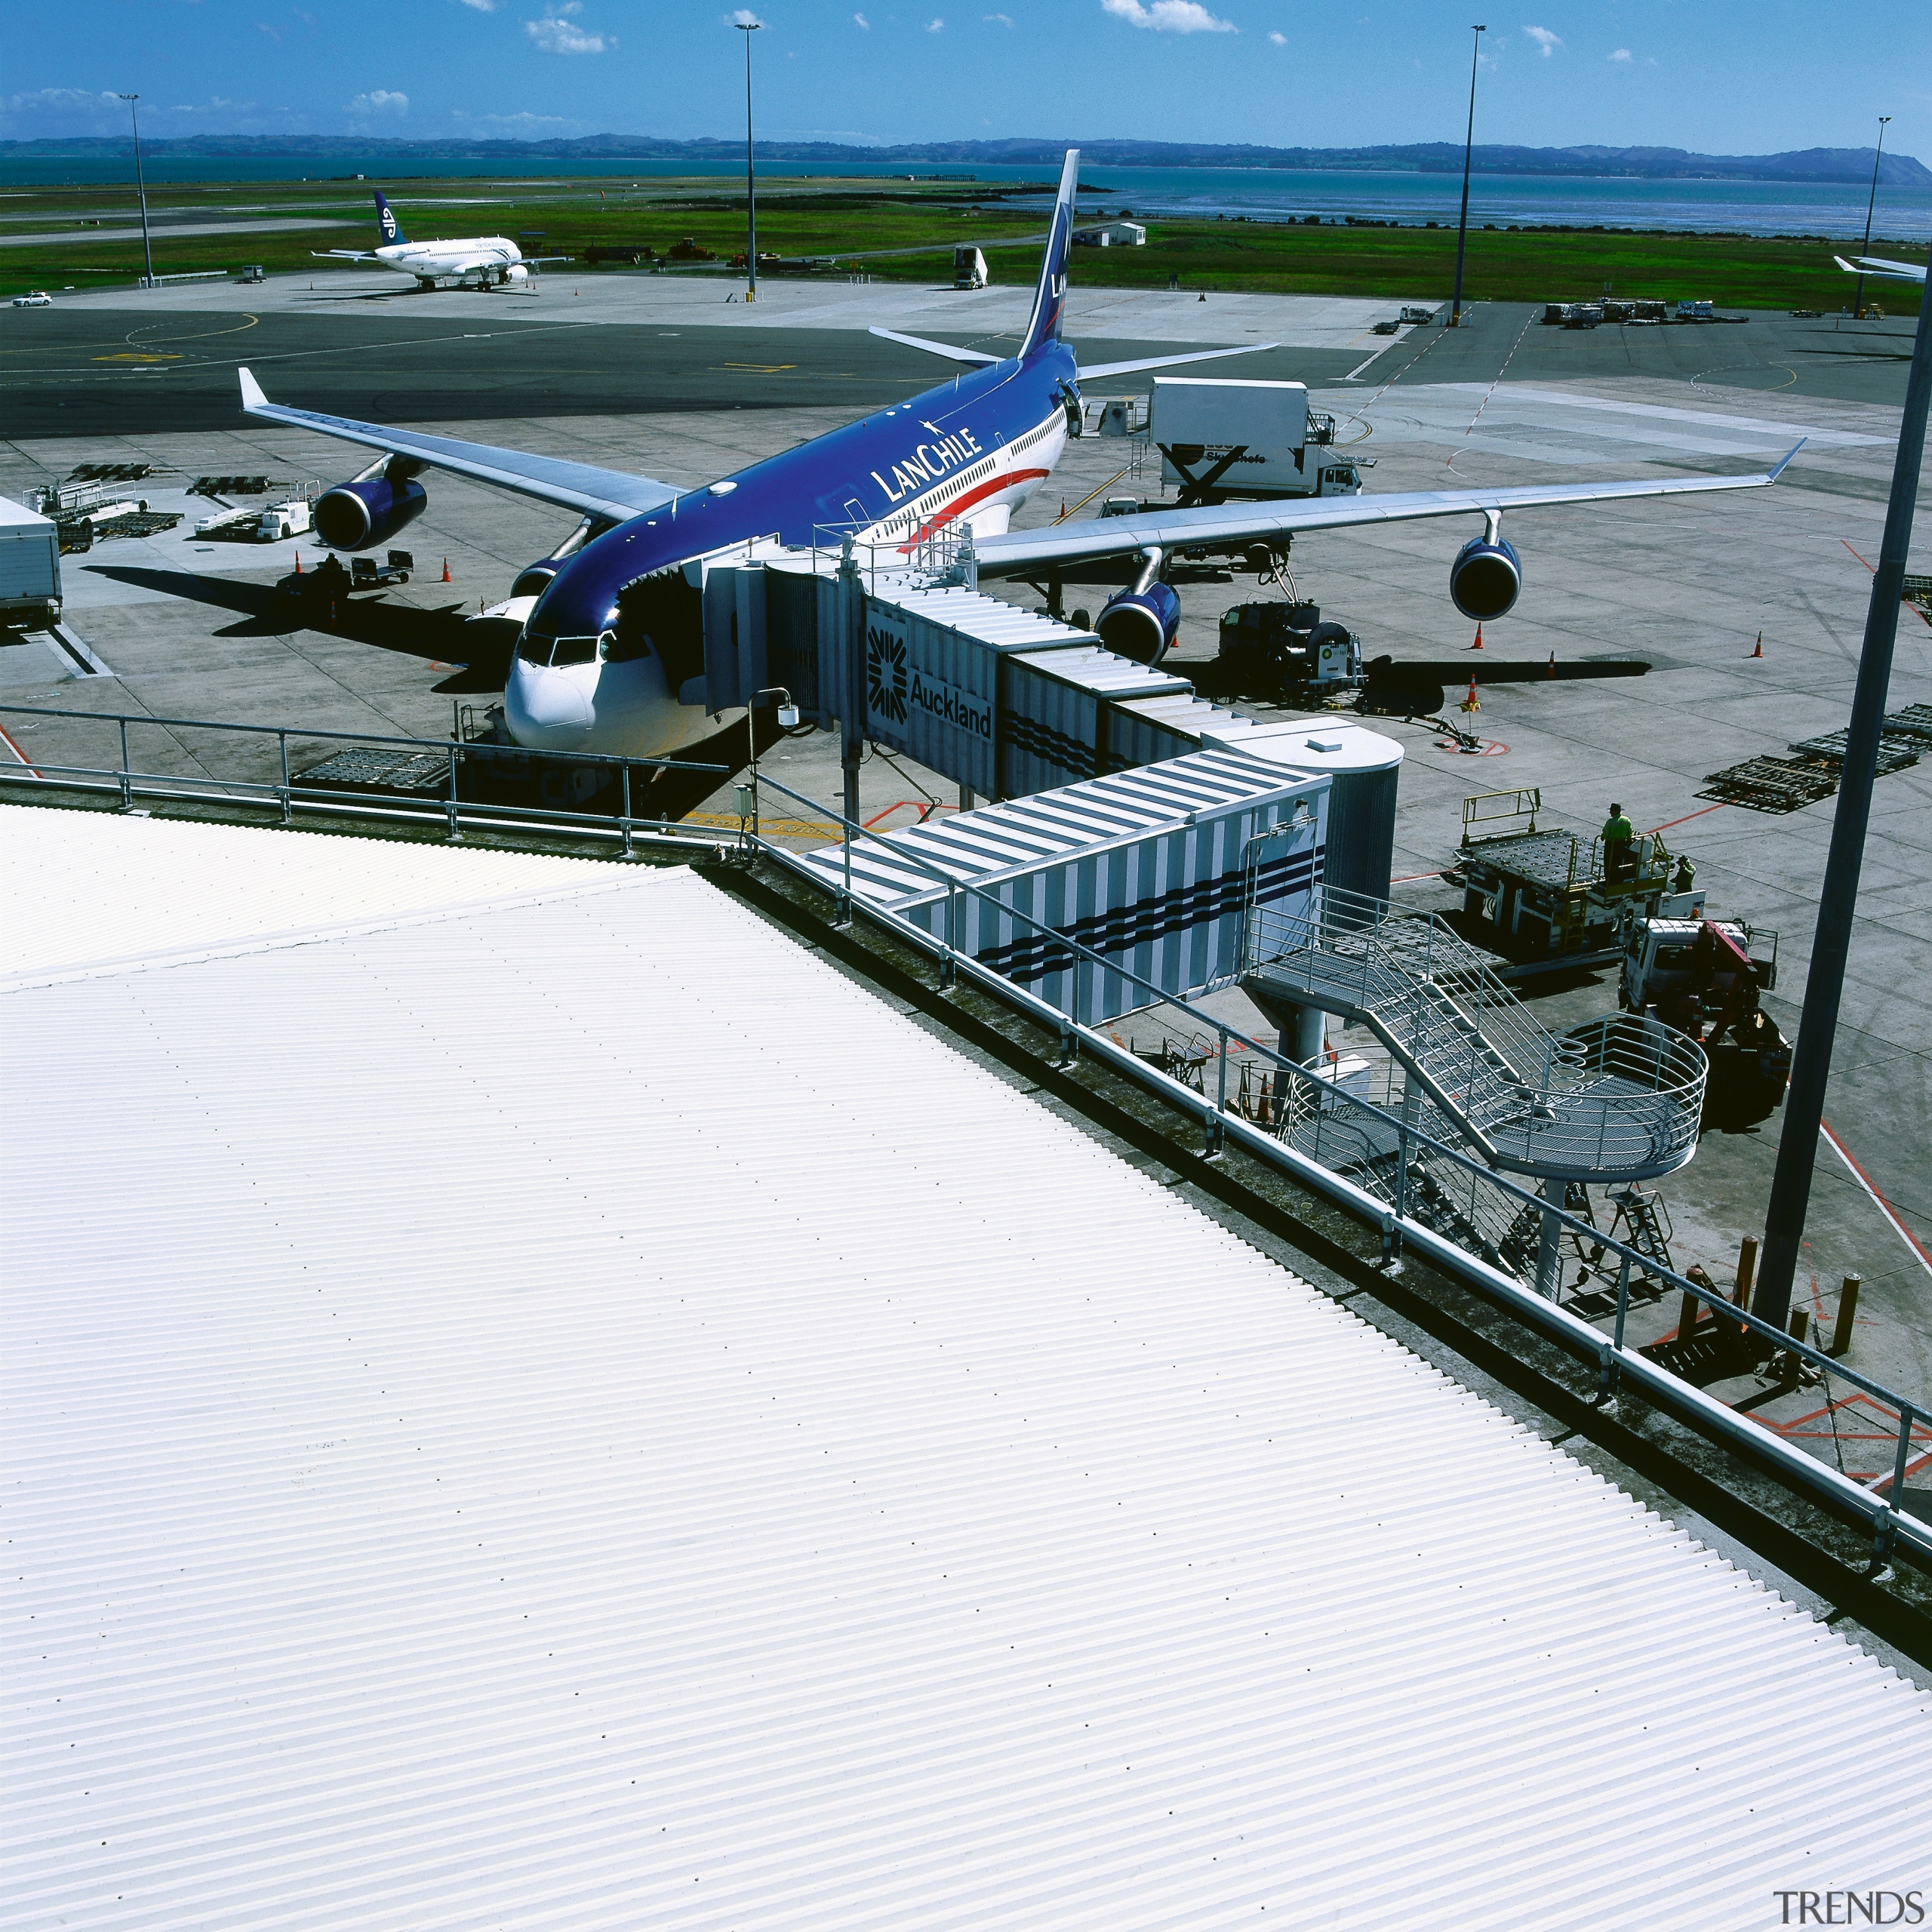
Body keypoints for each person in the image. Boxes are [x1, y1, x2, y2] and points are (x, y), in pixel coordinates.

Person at [1601, 803, 1636, 884]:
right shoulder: (1627, 820)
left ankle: (1609, 880)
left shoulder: (1610, 822)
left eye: (1611, 811)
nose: (1610, 813)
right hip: (1621, 845)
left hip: (1611, 845)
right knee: (1618, 862)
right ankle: (1617, 879)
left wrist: (1603, 837)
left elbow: (1606, 833)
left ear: (1614, 811)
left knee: (1608, 863)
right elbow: (1630, 833)